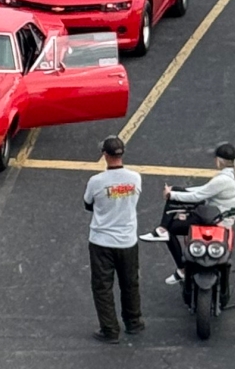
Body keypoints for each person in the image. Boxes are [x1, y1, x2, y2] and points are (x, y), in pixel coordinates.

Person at [143, 143, 235, 287]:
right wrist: (179, 190)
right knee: (178, 192)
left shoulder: (222, 180)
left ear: (219, 161)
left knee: (172, 229)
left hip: (213, 219)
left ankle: (180, 264)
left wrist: (172, 195)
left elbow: (198, 196)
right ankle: (162, 229)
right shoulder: (233, 176)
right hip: (219, 216)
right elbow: (204, 190)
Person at [84, 135, 145, 344]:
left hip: (102, 241)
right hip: (127, 240)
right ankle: (134, 321)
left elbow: (88, 204)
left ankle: (110, 329)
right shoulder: (135, 178)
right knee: (130, 283)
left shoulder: (96, 181)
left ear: (105, 155)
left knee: (102, 287)